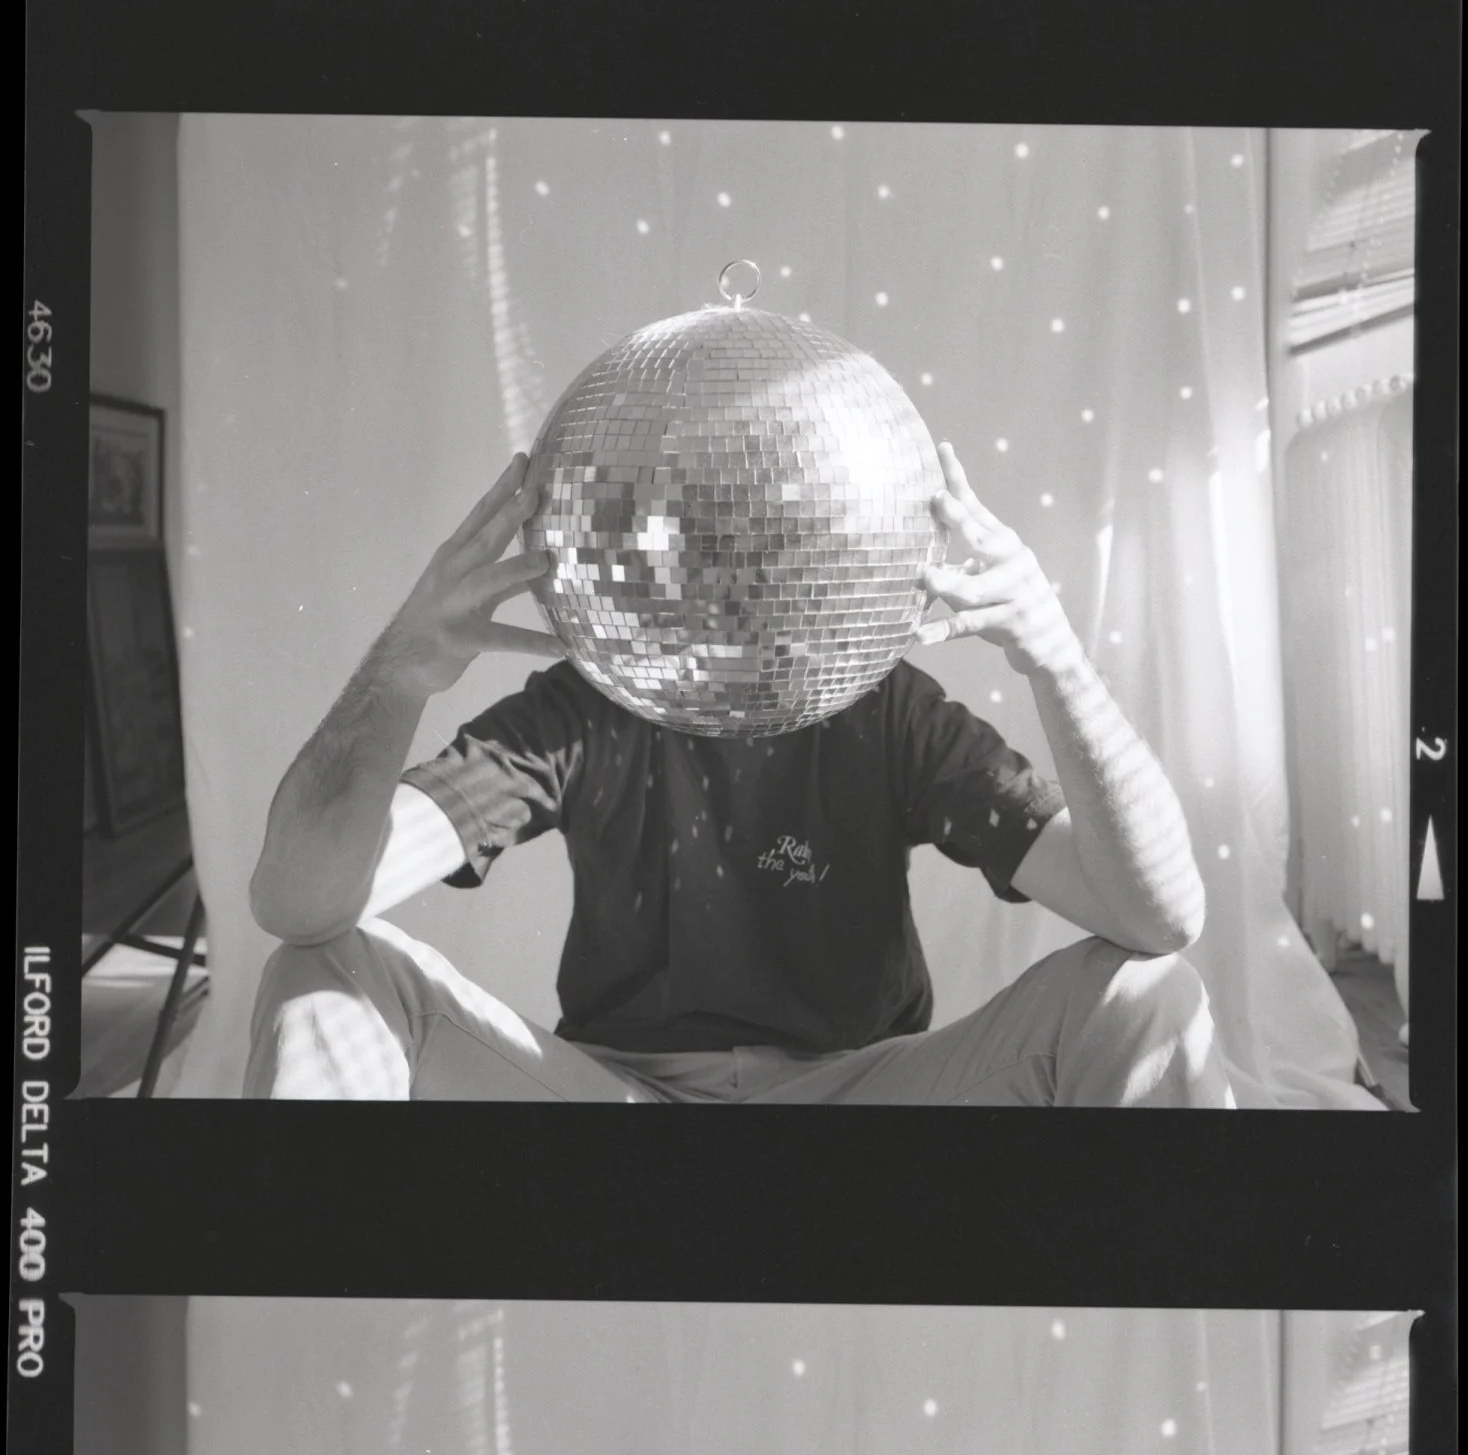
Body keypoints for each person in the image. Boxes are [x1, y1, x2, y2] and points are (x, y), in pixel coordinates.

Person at [244, 439, 1235, 1103]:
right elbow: (302, 904)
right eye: (700, 545)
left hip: (856, 1093)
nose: (732, 576)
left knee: (1151, 997)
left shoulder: (886, 707)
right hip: (615, 1088)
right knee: (320, 968)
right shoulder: (585, 707)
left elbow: (1159, 919)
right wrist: (403, 669)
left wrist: (1054, 655)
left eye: (765, 544)